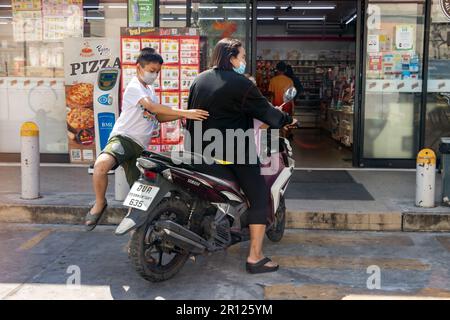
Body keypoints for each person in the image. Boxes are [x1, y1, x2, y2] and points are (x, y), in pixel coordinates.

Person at [185, 38, 296, 274]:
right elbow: (268, 113)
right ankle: (255, 257)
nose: (244, 61)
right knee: (259, 197)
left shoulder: (199, 79)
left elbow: (191, 115)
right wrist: (287, 119)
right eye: (242, 57)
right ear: (232, 57)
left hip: (198, 152)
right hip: (233, 152)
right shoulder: (241, 84)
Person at [85, 47, 209, 231]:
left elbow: (158, 116)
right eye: (152, 71)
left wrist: (184, 116)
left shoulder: (150, 89)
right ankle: (100, 203)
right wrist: (185, 112)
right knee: (101, 166)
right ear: (139, 68)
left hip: (140, 147)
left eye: (157, 72)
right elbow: (153, 107)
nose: (155, 75)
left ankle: (140, 238)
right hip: (124, 139)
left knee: (139, 199)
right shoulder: (135, 86)